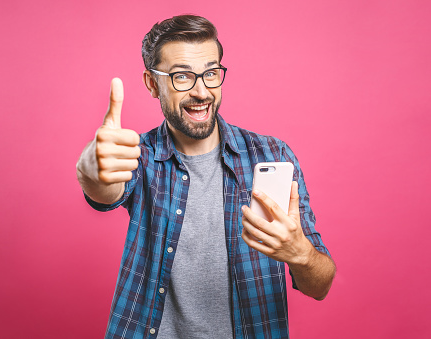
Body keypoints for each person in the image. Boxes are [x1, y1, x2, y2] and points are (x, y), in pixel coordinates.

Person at [76, 14, 336, 339]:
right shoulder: (138, 156)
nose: (202, 91)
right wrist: (91, 166)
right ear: (151, 83)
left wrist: (300, 254)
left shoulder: (272, 156)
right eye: (182, 77)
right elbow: (105, 187)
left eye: (211, 73)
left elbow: (320, 285)